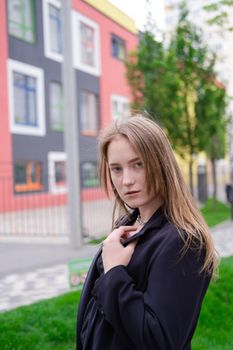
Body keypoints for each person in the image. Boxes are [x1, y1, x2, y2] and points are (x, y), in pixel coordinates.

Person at [76, 115, 218, 350]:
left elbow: (159, 341)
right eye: (116, 169)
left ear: (161, 164)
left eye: (138, 164)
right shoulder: (127, 225)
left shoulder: (183, 241)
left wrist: (114, 274)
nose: (126, 181)